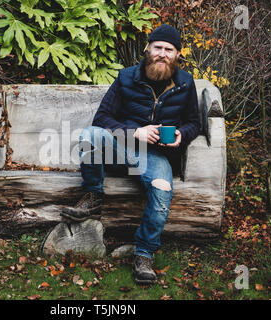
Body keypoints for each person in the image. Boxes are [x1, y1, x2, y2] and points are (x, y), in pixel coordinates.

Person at [60, 25, 200, 285]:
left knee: (162, 188)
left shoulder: (185, 84)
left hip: (155, 158)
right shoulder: (126, 77)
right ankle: (93, 195)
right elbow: (102, 118)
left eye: (169, 50)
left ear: (178, 54)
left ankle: (144, 254)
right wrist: (136, 132)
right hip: (121, 146)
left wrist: (182, 134)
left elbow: (194, 122)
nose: (162, 54)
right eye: (157, 47)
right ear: (147, 49)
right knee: (89, 135)